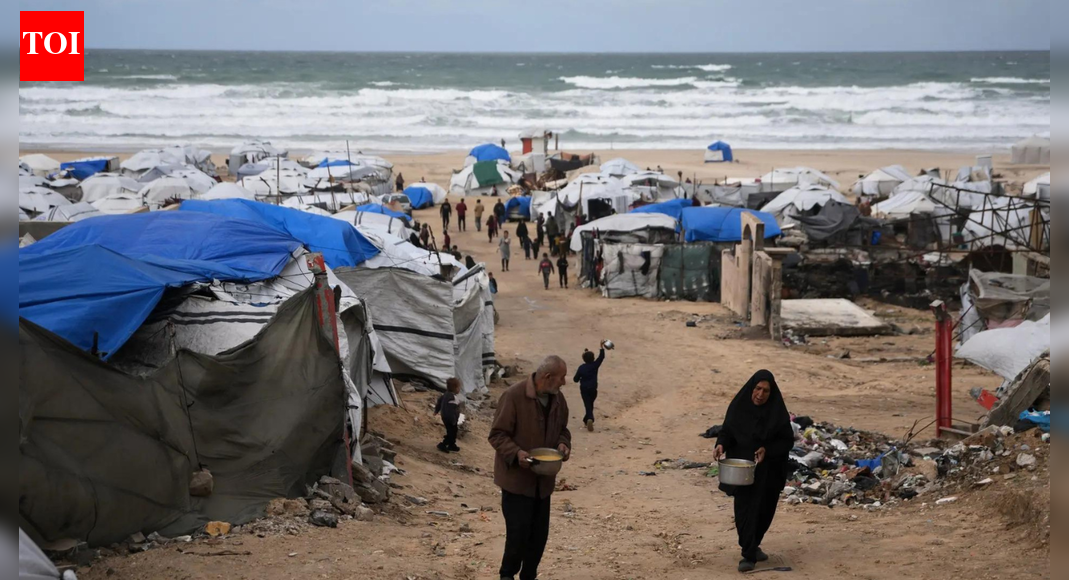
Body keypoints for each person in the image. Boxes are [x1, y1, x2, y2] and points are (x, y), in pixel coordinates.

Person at [488, 356, 571, 580]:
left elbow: (563, 429)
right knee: (518, 534)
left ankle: (529, 575)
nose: (564, 382)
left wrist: (563, 444)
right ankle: (507, 575)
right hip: (517, 482)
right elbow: (497, 435)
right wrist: (516, 454)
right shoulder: (514, 396)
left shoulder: (558, 400)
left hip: (543, 483)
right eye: (562, 377)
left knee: (538, 536)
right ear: (548, 377)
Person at [713, 370, 794, 573]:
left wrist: (768, 449)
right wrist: (721, 444)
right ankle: (748, 553)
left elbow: (787, 441)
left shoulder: (777, 413)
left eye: (766, 390)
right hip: (743, 470)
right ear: (751, 388)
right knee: (745, 511)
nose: (760, 394)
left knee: (765, 511)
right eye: (757, 388)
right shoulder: (739, 407)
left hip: (770, 471)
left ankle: (754, 544)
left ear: (771, 393)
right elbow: (727, 432)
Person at [572, 343, 608, 431]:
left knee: (588, 404)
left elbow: (575, 379)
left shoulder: (581, 368)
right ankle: (587, 419)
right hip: (593, 389)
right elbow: (601, 357)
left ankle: (589, 419)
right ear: (593, 358)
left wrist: (580, 377)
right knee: (590, 404)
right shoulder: (595, 365)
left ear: (583, 359)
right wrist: (601, 347)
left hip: (584, 389)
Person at [434, 378, 462, 453]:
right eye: (459, 387)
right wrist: (453, 419)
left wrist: (436, 411)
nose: (460, 389)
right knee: (452, 432)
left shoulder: (445, 395)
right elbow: (452, 410)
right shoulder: (453, 398)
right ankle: (443, 444)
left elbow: (439, 402)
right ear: (455, 388)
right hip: (451, 419)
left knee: (452, 431)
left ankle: (451, 445)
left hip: (445, 417)